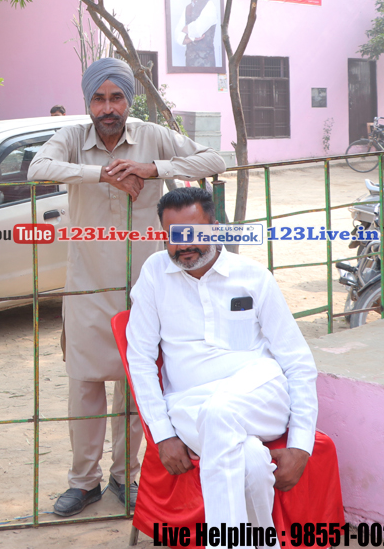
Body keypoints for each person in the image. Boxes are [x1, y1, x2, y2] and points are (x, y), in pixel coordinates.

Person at [27, 57, 226, 517]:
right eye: (99, 99)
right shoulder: (73, 137)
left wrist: (152, 169)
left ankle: (125, 477)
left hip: (146, 286)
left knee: (138, 387)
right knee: (85, 384)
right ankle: (83, 482)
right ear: (88, 103)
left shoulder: (151, 134)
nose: (108, 108)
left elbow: (214, 159)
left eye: (116, 98)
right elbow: (39, 167)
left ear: (128, 101)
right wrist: (102, 173)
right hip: (87, 285)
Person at [126, 187, 318, 527]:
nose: (184, 245)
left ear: (215, 229)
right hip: (189, 404)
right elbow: (140, 359)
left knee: (219, 413)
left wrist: (301, 443)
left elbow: (297, 360)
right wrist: (162, 434)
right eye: (174, 236)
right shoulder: (154, 273)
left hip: (260, 394)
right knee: (251, 461)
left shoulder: (252, 276)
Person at [174, 0, 218, 68]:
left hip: (206, 65)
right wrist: (190, 38)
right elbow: (177, 35)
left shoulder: (209, 5)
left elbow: (198, 30)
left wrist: (184, 30)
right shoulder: (187, 8)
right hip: (189, 64)